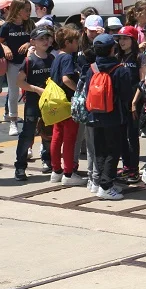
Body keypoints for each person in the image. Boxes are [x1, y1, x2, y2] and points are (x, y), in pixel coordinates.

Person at [83, 33, 135, 200]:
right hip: (115, 116)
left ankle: (99, 182)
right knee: (114, 150)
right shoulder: (120, 69)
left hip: (94, 115)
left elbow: (86, 91)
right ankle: (106, 186)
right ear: (113, 49)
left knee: (100, 150)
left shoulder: (91, 69)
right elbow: (127, 95)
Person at [14, 27, 55, 181]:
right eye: (41, 39)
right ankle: (20, 166)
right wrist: (35, 89)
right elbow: (19, 82)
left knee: (48, 132)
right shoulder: (29, 61)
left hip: (49, 103)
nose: (45, 41)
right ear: (33, 42)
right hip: (32, 103)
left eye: (47, 38)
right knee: (27, 134)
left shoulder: (51, 59)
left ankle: (47, 160)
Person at [49, 26, 85, 185]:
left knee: (57, 137)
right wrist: (79, 90)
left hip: (56, 103)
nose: (78, 43)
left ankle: (56, 170)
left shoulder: (56, 57)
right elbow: (66, 79)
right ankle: (69, 173)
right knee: (70, 138)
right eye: (76, 40)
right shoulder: (68, 58)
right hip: (68, 102)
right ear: (68, 42)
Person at [0, 0, 35, 137]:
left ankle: (31, 119)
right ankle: (13, 121)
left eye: (29, 10)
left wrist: (29, 44)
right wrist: (5, 47)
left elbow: (36, 39)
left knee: (30, 91)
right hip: (13, 63)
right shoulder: (7, 26)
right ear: (17, 10)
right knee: (13, 93)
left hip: (27, 62)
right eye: (26, 10)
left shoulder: (30, 24)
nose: (28, 13)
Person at [116, 26, 141, 184]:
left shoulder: (138, 57)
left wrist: (134, 101)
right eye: (120, 38)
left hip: (134, 102)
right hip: (120, 101)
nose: (122, 41)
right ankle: (126, 165)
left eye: (125, 38)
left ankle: (134, 169)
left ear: (133, 40)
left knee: (132, 135)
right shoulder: (117, 56)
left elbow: (143, 81)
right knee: (121, 135)